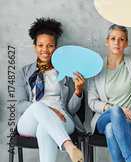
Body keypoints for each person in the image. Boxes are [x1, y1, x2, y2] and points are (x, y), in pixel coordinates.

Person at [87, 22, 131, 162]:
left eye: (121, 39)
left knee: (110, 129)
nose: (117, 42)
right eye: (113, 39)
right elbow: (92, 102)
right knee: (115, 112)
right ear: (107, 42)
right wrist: (112, 108)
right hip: (105, 117)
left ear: (126, 43)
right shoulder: (96, 68)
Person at [16, 17, 85, 162]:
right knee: (38, 106)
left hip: (62, 119)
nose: (45, 50)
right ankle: (69, 145)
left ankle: (66, 144)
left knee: (44, 127)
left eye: (50, 45)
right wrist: (50, 110)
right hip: (30, 121)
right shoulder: (23, 72)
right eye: (40, 45)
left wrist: (78, 91)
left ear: (56, 48)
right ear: (35, 47)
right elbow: (21, 104)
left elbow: (71, 110)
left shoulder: (66, 73)